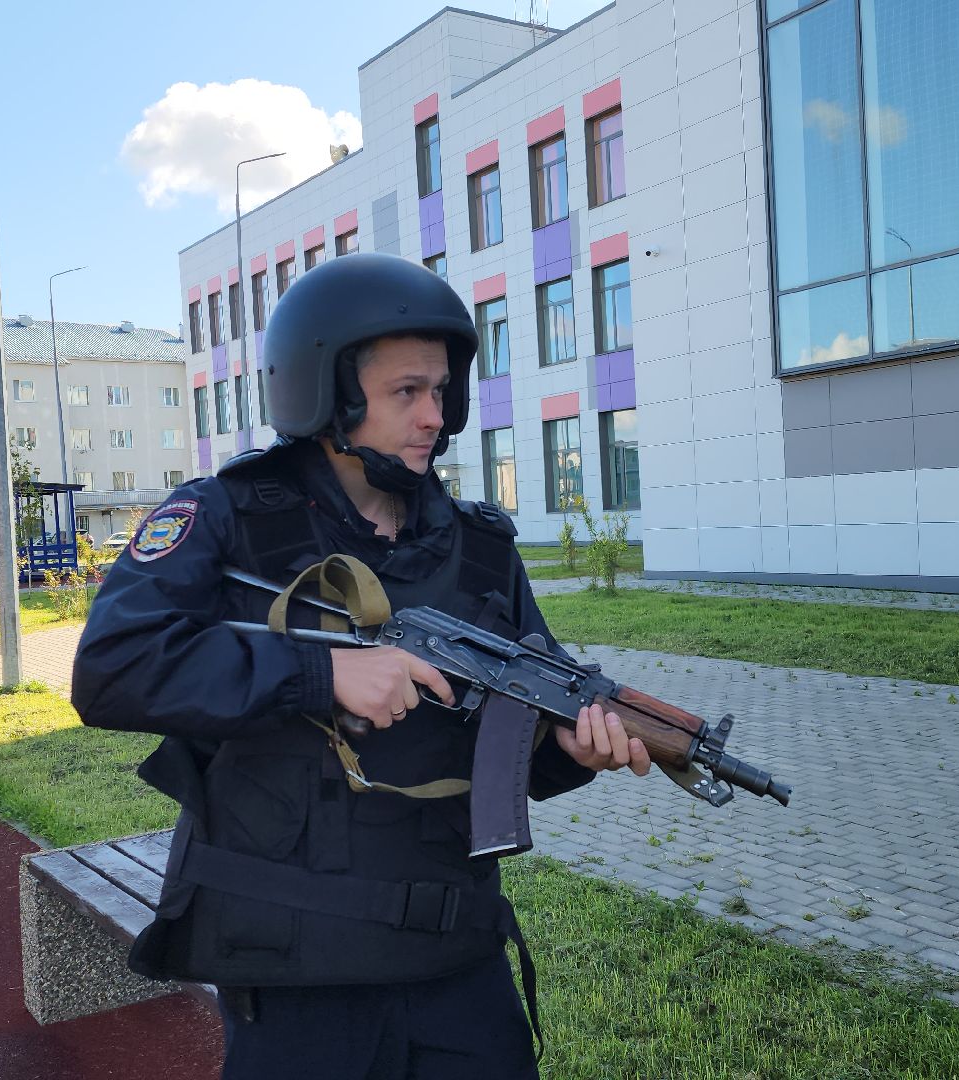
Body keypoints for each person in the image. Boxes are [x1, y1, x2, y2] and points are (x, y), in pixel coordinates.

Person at [71, 252, 653, 1079]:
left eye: (441, 391)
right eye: (405, 392)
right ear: (328, 394)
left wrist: (573, 752)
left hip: (456, 961)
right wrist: (322, 676)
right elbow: (109, 667)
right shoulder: (226, 516)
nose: (433, 416)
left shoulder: (480, 546)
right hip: (298, 971)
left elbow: (521, 734)